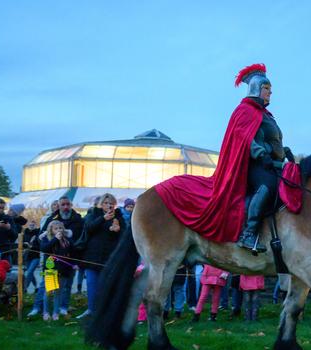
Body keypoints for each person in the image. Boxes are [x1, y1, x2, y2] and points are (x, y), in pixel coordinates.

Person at [155, 63, 294, 254]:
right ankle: (249, 234)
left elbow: (272, 141)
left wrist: (283, 151)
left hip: (269, 162)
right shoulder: (245, 111)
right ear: (257, 89)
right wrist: (261, 154)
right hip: (252, 165)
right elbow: (244, 137)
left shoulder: (265, 115)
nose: (271, 93)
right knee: (267, 185)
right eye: (267, 89)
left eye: (270, 89)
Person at [76, 193, 124, 319]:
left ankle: (104, 311)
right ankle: (91, 309)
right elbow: (88, 228)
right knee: (92, 284)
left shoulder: (119, 216)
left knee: (106, 285)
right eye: (106, 203)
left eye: (111, 203)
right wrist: (103, 218)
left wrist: (118, 230)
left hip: (109, 257)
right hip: (92, 256)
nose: (109, 205)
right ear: (101, 204)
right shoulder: (94, 214)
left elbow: (124, 236)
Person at [35, 220, 76, 321]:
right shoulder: (46, 238)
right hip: (51, 270)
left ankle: (55, 313)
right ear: (51, 230)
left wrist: (74, 264)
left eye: (60, 228)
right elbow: (44, 249)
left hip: (63, 270)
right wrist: (55, 239)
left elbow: (73, 252)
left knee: (58, 292)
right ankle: (46, 312)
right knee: (48, 292)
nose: (59, 230)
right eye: (56, 228)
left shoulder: (67, 240)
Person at [22, 219, 40, 293]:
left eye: (33, 225)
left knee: (29, 272)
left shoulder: (37, 234)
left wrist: (31, 246)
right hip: (27, 256)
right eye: (30, 225)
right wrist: (25, 244)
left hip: (36, 256)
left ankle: (24, 288)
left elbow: (40, 246)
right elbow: (22, 244)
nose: (31, 226)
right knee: (30, 272)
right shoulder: (24, 233)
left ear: (35, 226)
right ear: (28, 225)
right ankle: (36, 287)